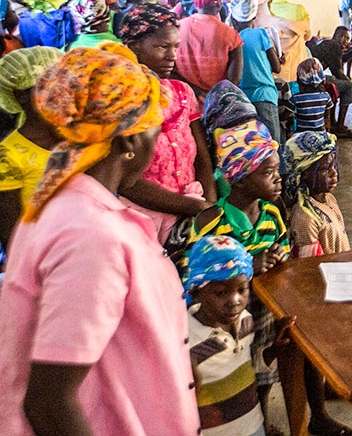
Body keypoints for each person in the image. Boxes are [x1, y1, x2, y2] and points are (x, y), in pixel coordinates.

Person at [0, 47, 202, 436]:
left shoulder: (60, 203)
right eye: (154, 126)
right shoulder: (91, 237)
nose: (159, 137)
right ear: (128, 143)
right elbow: (50, 402)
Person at [188, 119, 290, 427]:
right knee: (230, 369)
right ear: (241, 179)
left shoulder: (271, 213)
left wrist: (278, 254)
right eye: (268, 172)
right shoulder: (211, 222)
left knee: (262, 368)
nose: (278, 179)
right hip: (224, 315)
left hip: (264, 307)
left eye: (277, 170)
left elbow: (282, 244)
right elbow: (193, 277)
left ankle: (260, 417)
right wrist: (251, 265)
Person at [116, 7, 218, 243]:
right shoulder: (124, 100)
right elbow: (126, 179)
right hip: (142, 218)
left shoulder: (183, 92)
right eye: (162, 47)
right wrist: (194, 208)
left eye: (175, 46)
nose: (172, 55)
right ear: (134, 46)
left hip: (192, 212)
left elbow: (202, 156)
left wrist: (209, 207)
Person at [184, 235, 266, 436]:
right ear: (196, 292)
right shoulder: (185, 340)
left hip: (253, 426)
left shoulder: (246, 320)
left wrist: (276, 348)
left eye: (242, 289)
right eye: (221, 293)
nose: (235, 301)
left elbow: (246, 367)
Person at [0, 47, 63, 247]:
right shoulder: (9, 156)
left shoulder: (76, 141)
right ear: (22, 96)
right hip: (41, 257)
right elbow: (11, 232)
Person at [230, 0, 282, 145]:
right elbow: (277, 67)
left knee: (250, 145)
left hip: (242, 100)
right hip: (265, 96)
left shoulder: (233, 38)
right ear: (254, 17)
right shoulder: (261, 34)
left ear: (234, 20)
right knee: (272, 145)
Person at [284, 131, 347, 257]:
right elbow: (309, 267)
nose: (334, 173)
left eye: (333, 165)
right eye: (325, 169)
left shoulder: (328, 198)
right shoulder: (306, 219)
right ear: (304, 174)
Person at [177, 0, 244, 95]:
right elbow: (234, 80)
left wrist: (197, 92)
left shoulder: (178, 28)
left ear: (195, 2)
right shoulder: (231, 36)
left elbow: (171, 71)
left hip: (184, 100)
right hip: (216, 103)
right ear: (219, 5)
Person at [254, 0, 311, 83]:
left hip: (269, 71)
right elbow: (308, 36)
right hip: (295, 72)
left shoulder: (258, 11)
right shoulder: (299, 10)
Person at [310, 26, 352, 138]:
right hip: (314, 80)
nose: (347, 41)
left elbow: (337, 68)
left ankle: (333, 123)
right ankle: (340, 126)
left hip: (310, 77)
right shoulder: (334, 46)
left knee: (335, 82)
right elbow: (338, 71)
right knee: (348, 87)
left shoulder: (327, 42)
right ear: (341, 36)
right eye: (346, 38)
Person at [284, 58, 334, 132]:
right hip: (320, 135)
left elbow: (287, 117)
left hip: (301, 135)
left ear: (299, 79)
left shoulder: (296, 98)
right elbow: (327, 117)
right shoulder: (326, 96)